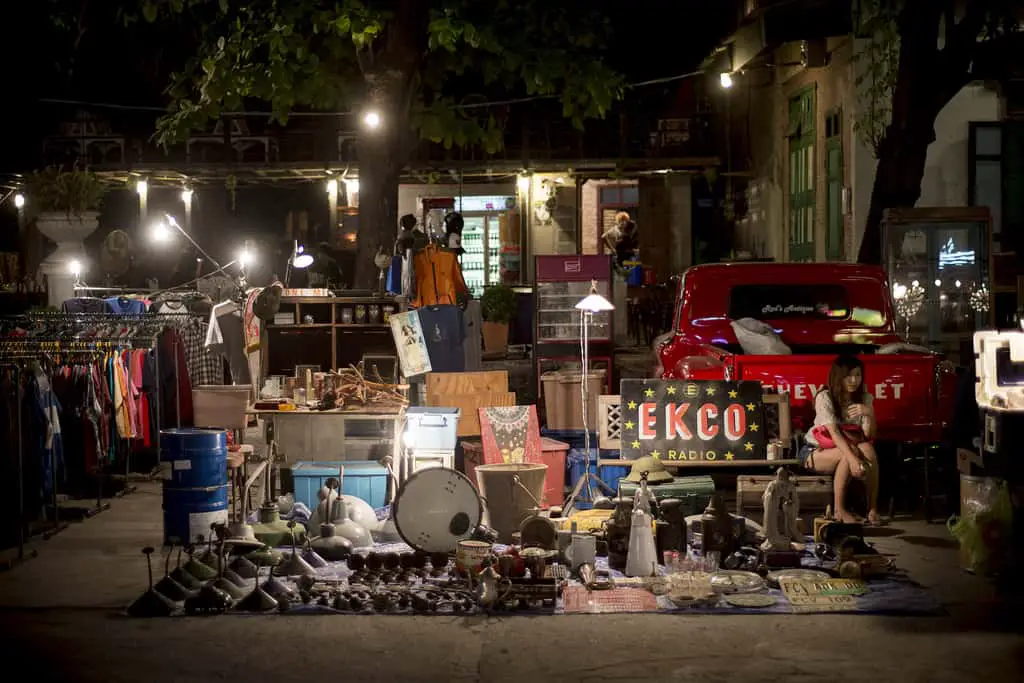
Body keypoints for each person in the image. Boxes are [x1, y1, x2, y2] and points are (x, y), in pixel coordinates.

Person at [799, 354, 881, 525]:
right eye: (848, 376)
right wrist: (853, 460)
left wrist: (869, 413)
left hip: (850, 445)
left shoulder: (864, 398)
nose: (853, 380)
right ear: (838, 377)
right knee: (849, 452)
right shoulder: (825, 397)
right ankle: (839, 510)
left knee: (868, 449)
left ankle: (872, 509)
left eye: (858, 375)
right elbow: (834, 433)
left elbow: (868, 435)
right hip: (815, 450)